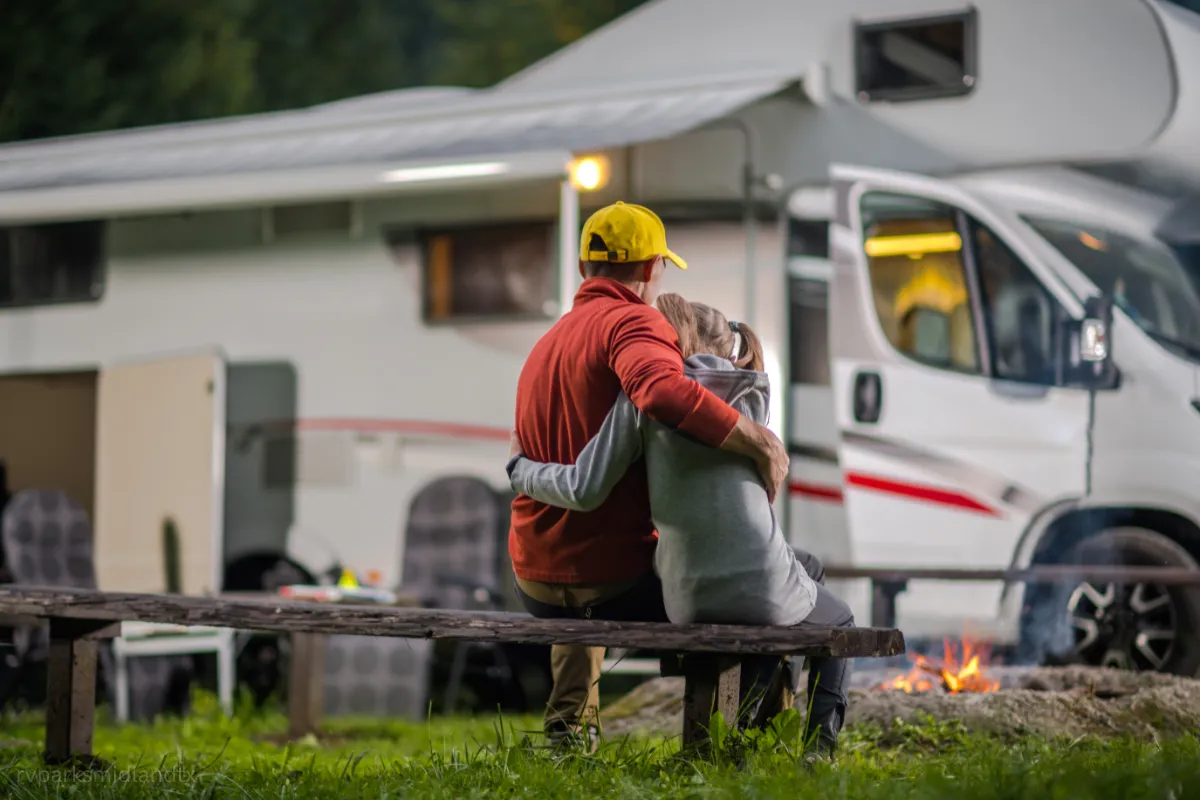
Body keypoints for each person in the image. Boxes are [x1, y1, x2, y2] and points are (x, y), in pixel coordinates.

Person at [508, 294, 855, 760]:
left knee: (777, 591)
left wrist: (521, 468)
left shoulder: (636, 400)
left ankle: (743, 732)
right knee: (828, 615)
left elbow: (584, 486)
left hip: (683, 591)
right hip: (750, 578)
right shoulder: (752, 393)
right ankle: (810, 747)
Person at [508, 201, 789, 750]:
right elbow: (660, 390)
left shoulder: (549, 343)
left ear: (586, 268)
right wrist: (757, 440)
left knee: (588, 550)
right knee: (738, 593)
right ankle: (748, 743)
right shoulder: (634, 320)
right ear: (650, 268)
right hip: (608, 581)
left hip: (534, 580)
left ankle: (568, 741)